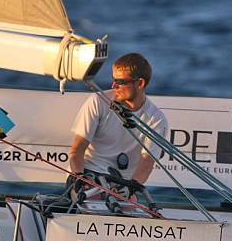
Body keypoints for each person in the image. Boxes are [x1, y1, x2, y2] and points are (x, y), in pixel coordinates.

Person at [68, 53, 168, 198]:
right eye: (113, 79)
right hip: (89, 173)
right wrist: (79, 177)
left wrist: (131, 188)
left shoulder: (156, 118)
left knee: (128, 207)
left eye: (120, 81)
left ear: (140, 84)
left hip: (124, 183)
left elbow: (147, 163)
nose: (113, 86)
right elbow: (76, 152)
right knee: (90, 202)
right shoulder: (98, 101)